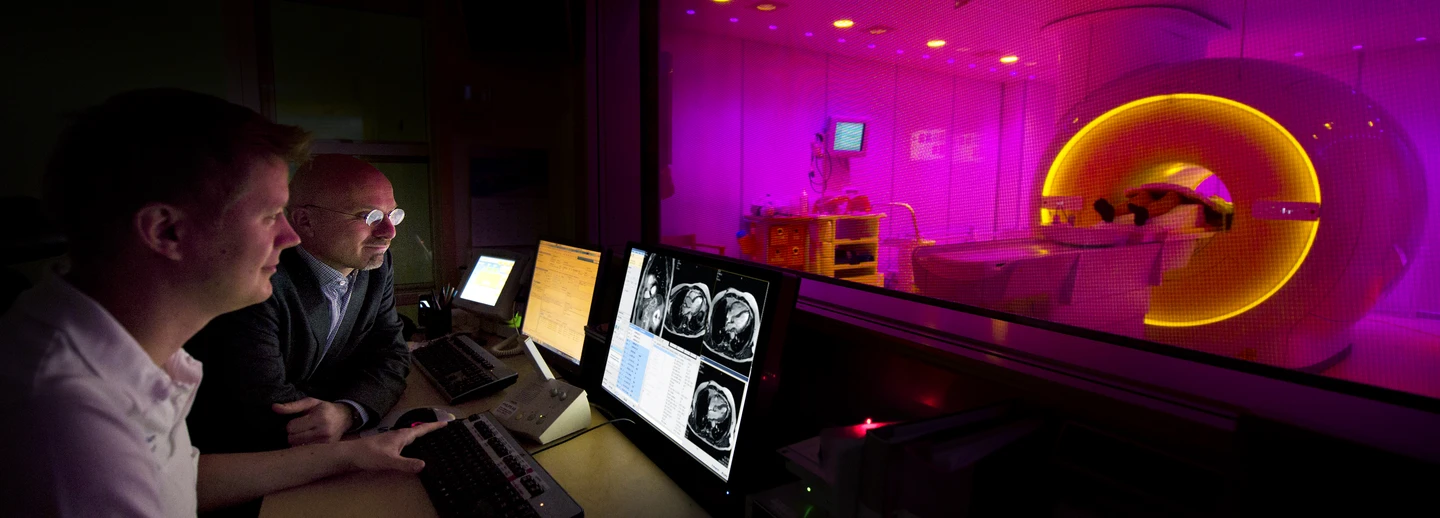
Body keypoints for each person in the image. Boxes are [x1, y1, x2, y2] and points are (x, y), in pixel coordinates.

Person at [0, 89, 444, 516]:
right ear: (166, 232)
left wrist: (353, 454)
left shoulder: (130, 347)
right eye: (271, 216)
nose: (290, 238)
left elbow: (178, 480)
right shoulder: (70, 416)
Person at [184, 154, 412, 458]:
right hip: (239, 456)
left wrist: (347, 412)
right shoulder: (260, 277)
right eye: (370, 217)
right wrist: (329, 418)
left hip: (324, 441)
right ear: (305, 220)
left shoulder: (376, 266)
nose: (389, 232)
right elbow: (263, 403)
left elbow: (391, 354)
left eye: (393, 215)